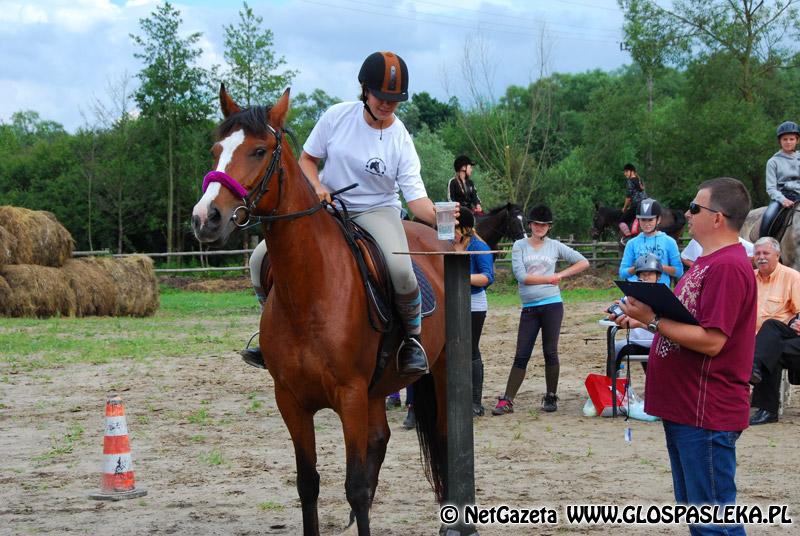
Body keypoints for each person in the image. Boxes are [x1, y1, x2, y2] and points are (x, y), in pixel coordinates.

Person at [244, 51, 438, 376]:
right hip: (328, 209)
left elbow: (416, 201)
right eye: (381, 96)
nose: (387, 104)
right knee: (259, 259)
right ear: (365, 89)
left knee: (401, 271)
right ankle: (271, 334)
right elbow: (307, 160)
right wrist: (317, 187)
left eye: (394, 100)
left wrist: (445, 217)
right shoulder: (336, 116)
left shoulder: (401, 138)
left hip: (377, 211)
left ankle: (411, 342)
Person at [614, 177, 755, 536]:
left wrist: (654, 319)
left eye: (694, 208)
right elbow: (691, 318)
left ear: (718, 218)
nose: (686, 214)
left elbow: (712, 341)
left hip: (705, 412)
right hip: (686, 408)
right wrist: (642, 316)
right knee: (700, 518)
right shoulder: (707, 262)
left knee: (714, 524)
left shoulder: (727, 266)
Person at [493, 204, 589, 415]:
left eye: (544, 224)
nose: (540, 227)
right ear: (530, 224)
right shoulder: (519, 245)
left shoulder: (555, 246)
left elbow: (583, 262)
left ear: (549, 227)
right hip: (529, 307)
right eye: (536, 224)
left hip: (552, 305)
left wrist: (561, 275)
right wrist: (549, 278)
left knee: (550, 351)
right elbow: (521, 276)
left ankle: (551, 395)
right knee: (522, 353)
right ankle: (507, 399)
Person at [749, 236, 800, 425]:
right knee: (772, 352)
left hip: (786, 332)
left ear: (777, 255)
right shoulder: (749, 278)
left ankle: (753, 366)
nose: (761, 257)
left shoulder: (792, 276)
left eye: (766, 253)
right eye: (757, 253)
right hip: (759, 341)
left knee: (771, 325)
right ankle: (768, 411)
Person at [451, 208, 494, 416]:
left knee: (471, 351)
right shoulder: (447, 244)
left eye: (455, 228)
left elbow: (487, 277)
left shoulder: (479, 247)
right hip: (451, 301)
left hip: (474, 303)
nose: (452, 232)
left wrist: (460, 276)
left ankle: (476, 401)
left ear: (466, 229)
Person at [612, 254, 663, 366]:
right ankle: (612, 382)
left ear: (658, 276)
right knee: (615, 349)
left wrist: (640, 323)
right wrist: (615, 311)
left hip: (658, 343)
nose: (645, 278)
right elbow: (617, 307)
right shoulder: (631, 296)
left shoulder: (665, 298)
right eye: (642, 274)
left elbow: (669, 328)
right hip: (636, 342)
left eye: (649, 274)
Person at [618, 198, 683, 286]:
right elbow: (622, 273)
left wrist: (658, 266)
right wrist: (638, 267)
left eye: (650, 220)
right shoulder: (631, 243)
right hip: (637, 290)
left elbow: (679, 271)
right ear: (638, 220)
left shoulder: (669, 242)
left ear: (658, 219)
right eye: (643, 220)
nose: (646, 223)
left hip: (660, 291)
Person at [759, 121, 800, 238]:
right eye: (785, 139)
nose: (788, 142)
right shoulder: (773, 162)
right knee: (768, 216)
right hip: (782, 198)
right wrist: (783, 200)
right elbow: (771, 188)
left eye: (791, 139)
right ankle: (764, 243)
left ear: (797, 140)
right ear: (780, 141)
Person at [680, 237, 753, 270]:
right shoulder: (697, 240)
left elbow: (755, 254)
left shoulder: (735, 240)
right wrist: (699, 268)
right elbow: (684, 257)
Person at [619, 163, 647, 239]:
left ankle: (628, 237)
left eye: (626, 171)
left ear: (632, 172)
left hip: (636, 205)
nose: (625, 174)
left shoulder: (630, 181)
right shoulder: (640, 180)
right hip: (646, 204)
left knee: (621, 220)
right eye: (624, 172)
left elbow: (628, 198)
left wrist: (624, 208)